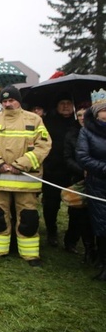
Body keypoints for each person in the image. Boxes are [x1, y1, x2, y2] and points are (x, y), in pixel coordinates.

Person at [0, 86, 51, 266]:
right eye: (4, 101)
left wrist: (22, 164)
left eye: (11, 100)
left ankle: (30, 254)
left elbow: (44, 145)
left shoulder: (34, 119)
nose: (8, 104)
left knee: (28, 217)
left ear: (19, 101)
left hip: (26, 180)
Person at [41, 94, 79, 248]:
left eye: (68, 103)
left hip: (73, 172)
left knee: (76, 207)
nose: (65, 106)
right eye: (62, 103)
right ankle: (51, 231)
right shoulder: (47, 122)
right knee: (51, 205)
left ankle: (71, 240)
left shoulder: (79, 123)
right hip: (52, 170)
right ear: (56, 106)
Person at [75, 90, 106, 280]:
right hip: (98, 184)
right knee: (102, 225)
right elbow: (82, 156)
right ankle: (103, 263)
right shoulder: (86, 131)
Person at [63, 107, 95, 263]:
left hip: (98, 177)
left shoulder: (98, 133)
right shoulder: (71, 133)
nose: (82, 118)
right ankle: (77, 244)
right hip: (78, 178)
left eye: (85, 114)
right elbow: (67, 157)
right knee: (78, 215)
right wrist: (81, 171)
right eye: (79, 115)